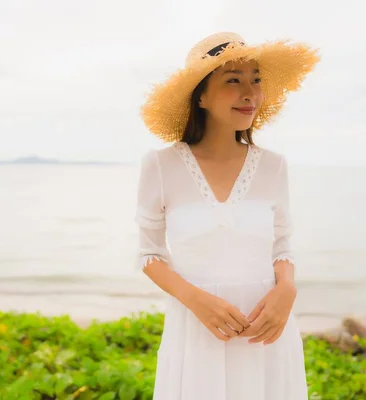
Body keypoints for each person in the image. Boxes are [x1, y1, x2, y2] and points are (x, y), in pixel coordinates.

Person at [135, 32, 321, 399]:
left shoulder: (273, 166)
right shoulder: (160, 165)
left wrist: (286, 289)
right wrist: (197, 301)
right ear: (201, 95)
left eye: (256, 80)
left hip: (266, 335)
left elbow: (282, 245)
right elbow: (149, 255)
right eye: (233, 80)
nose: (249, 92)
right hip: (195, 333)